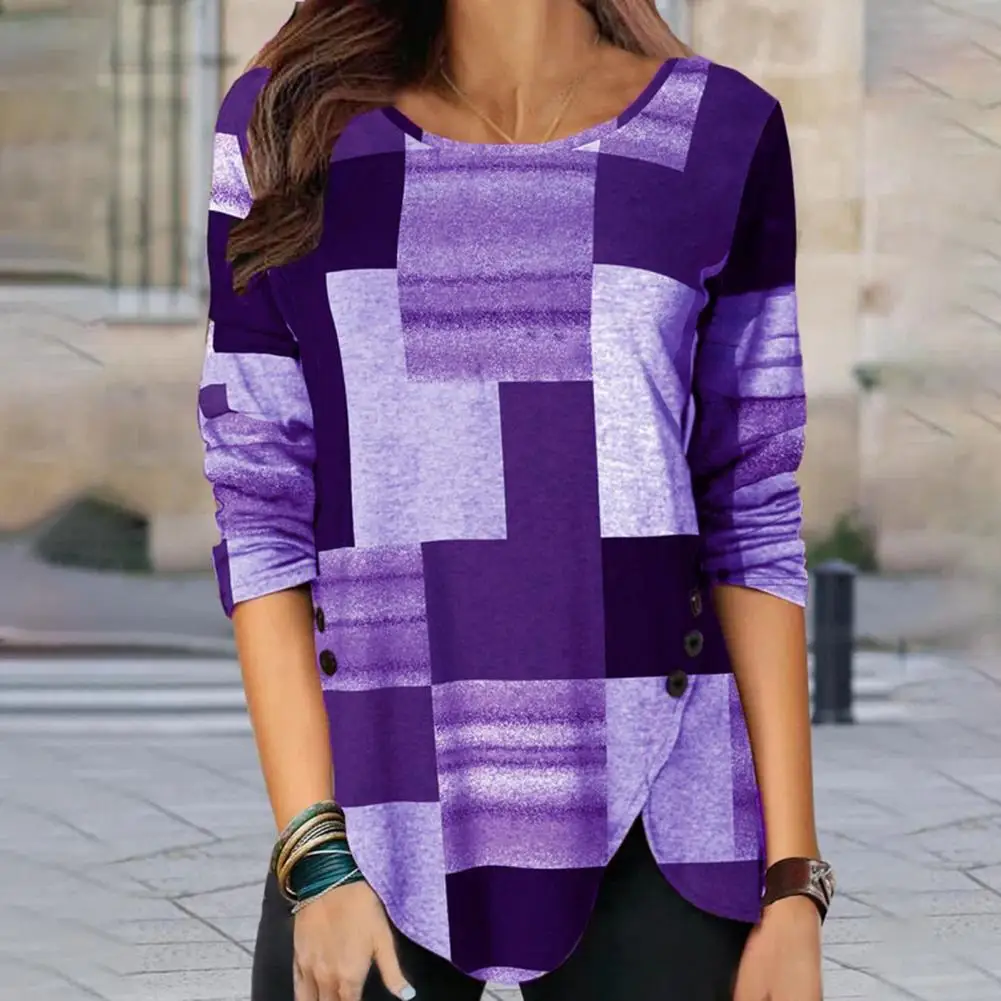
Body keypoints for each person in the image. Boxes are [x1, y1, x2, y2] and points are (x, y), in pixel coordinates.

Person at [198, 1, 834, 999]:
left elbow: (749, 508)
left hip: (665, 803)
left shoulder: (719, 133)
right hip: (378, 796)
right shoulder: (288, 124)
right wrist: (315, 853)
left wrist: (792, 882)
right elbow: (258, 507)